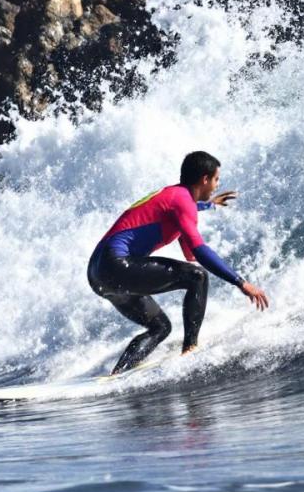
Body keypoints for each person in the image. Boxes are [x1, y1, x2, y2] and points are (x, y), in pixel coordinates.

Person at [88, 151, 269, 373]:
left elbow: (188, 251)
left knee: (160, 327)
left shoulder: (174, 197)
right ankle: (190, 349)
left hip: (98, 274)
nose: (216, 185)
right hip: (116, 265)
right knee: (197, 277)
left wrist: (210, 205)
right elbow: (199, 252)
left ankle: (118, 374)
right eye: (216, 179)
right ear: (204, 179)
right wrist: (241, 282)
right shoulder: (181, 201)